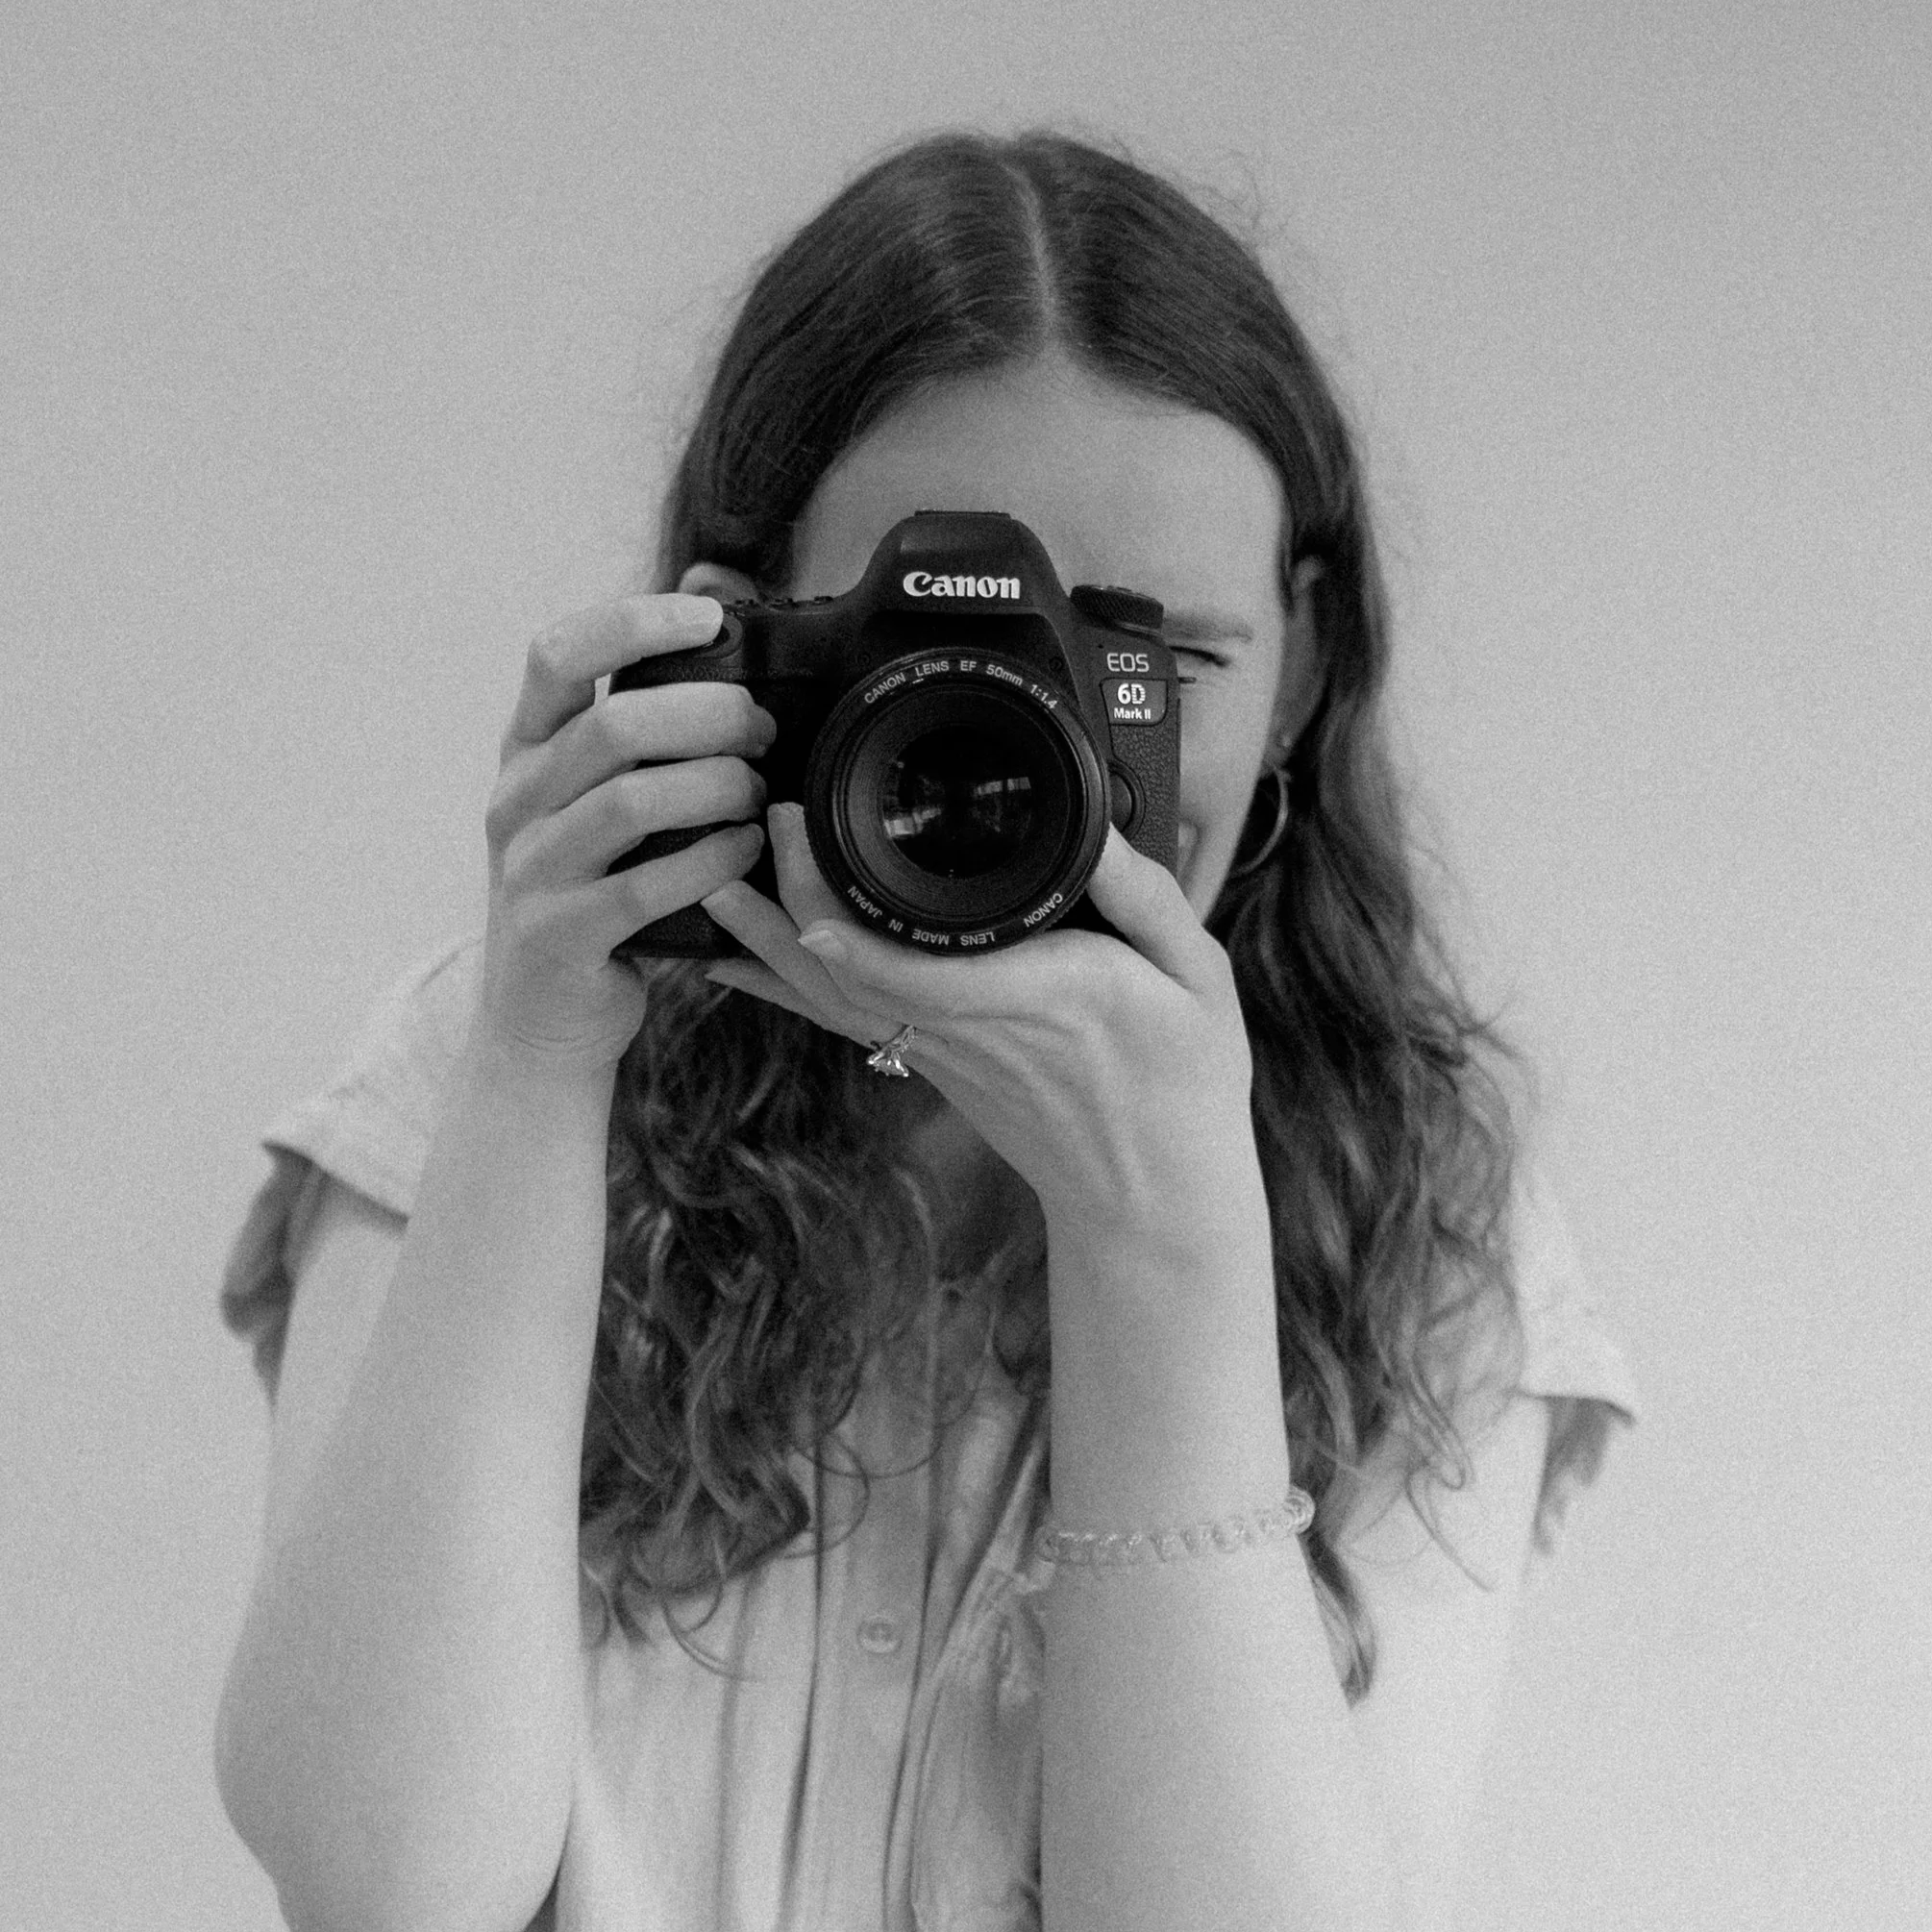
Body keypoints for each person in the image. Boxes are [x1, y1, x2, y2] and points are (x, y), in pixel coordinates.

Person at [213, 130, 1639, 1932]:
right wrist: (532, 1068)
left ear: (1298, 669)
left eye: (1138, 654)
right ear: (739, 629)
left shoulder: (1413, 1198)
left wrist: (1163, 1239)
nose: (1014, 726)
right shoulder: (490, 1063)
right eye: (926, 636)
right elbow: (383, 1883)